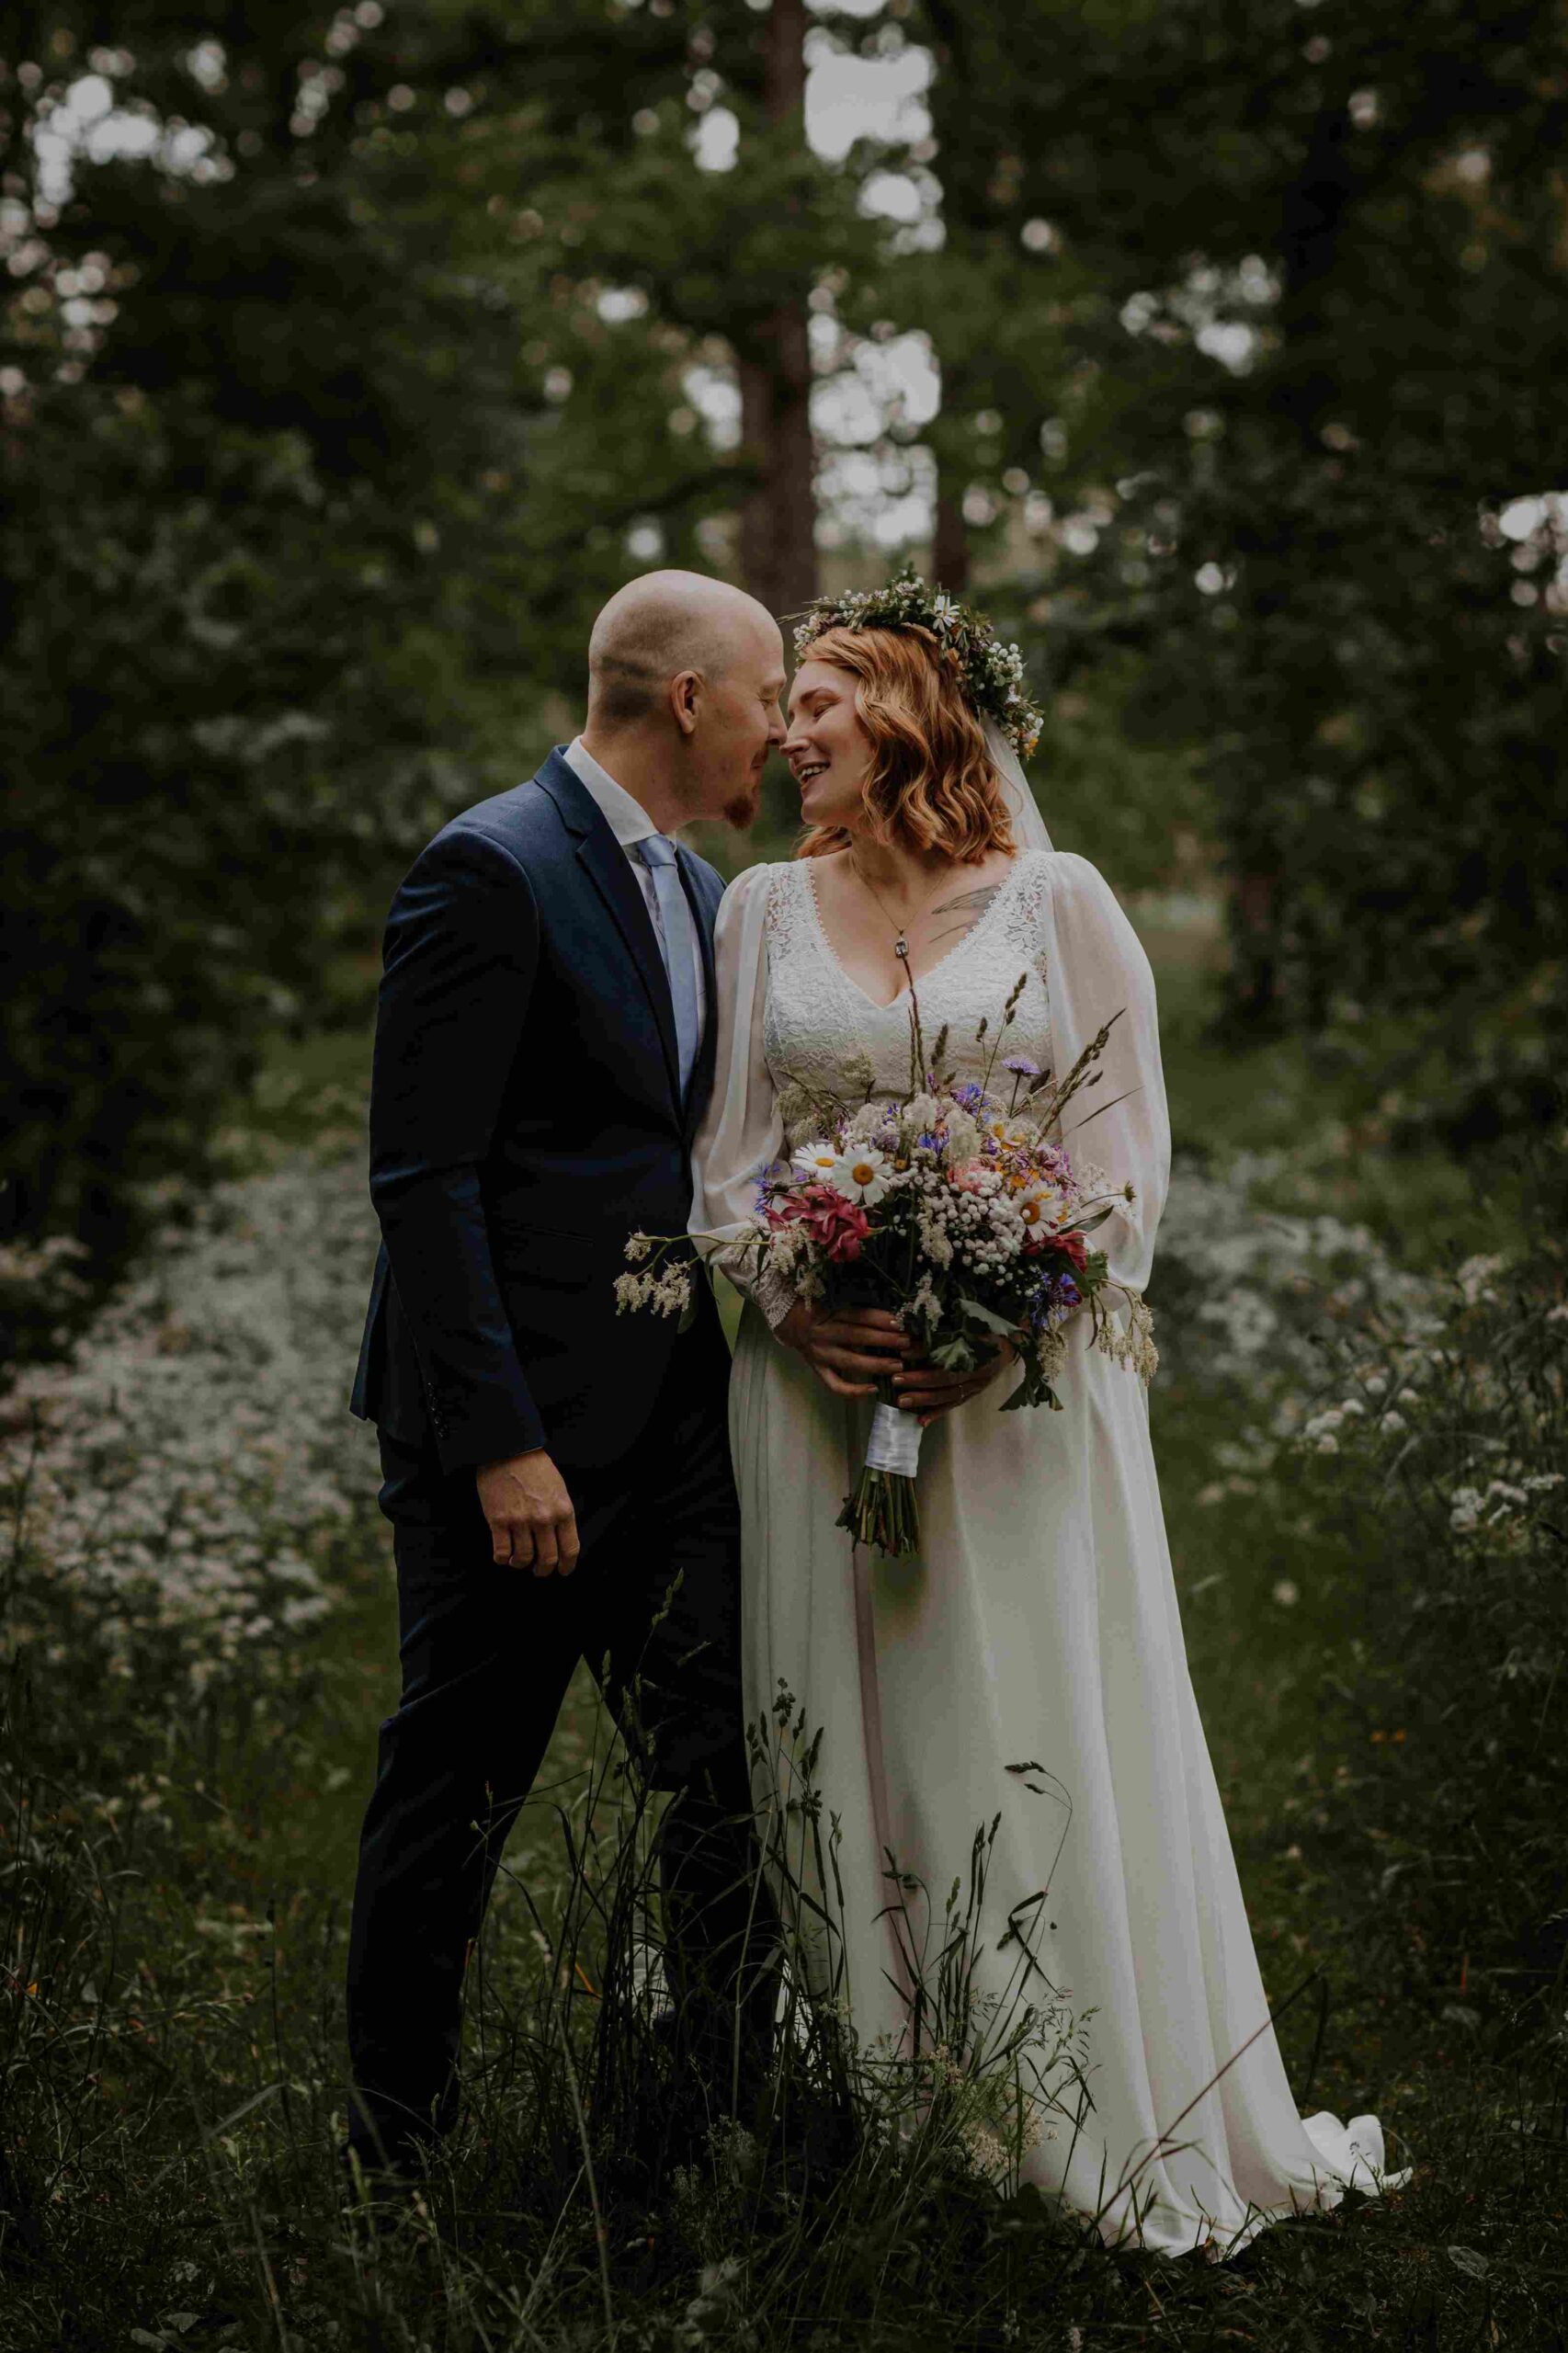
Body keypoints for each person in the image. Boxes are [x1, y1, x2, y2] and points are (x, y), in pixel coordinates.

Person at [690, 589, 1403, 2256]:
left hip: (1017, 1396)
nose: (785, 734)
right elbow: (725, 1168)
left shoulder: (1058, 901)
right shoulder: (756, 913)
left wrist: (1000, 1310)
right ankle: (890, 2108)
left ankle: (1077, 2096)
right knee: (841, 1722)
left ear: (911, 710)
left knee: (1022, 1708)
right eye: (785, 707)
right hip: (815, 1395)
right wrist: (805, 1307)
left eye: (816, 702)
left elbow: (1125, 1162)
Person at [345, 570, 786, 2178]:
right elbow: (422, 1176)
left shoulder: (695, 883)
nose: (781, 734)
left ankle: (728, 2105)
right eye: (766, 699)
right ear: (688, 700)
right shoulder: (491, 868)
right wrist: (500, 1443)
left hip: (671, 1420)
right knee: (457, 1790)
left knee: (728, 1770)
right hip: (509, 1446)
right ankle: (393, 2149)